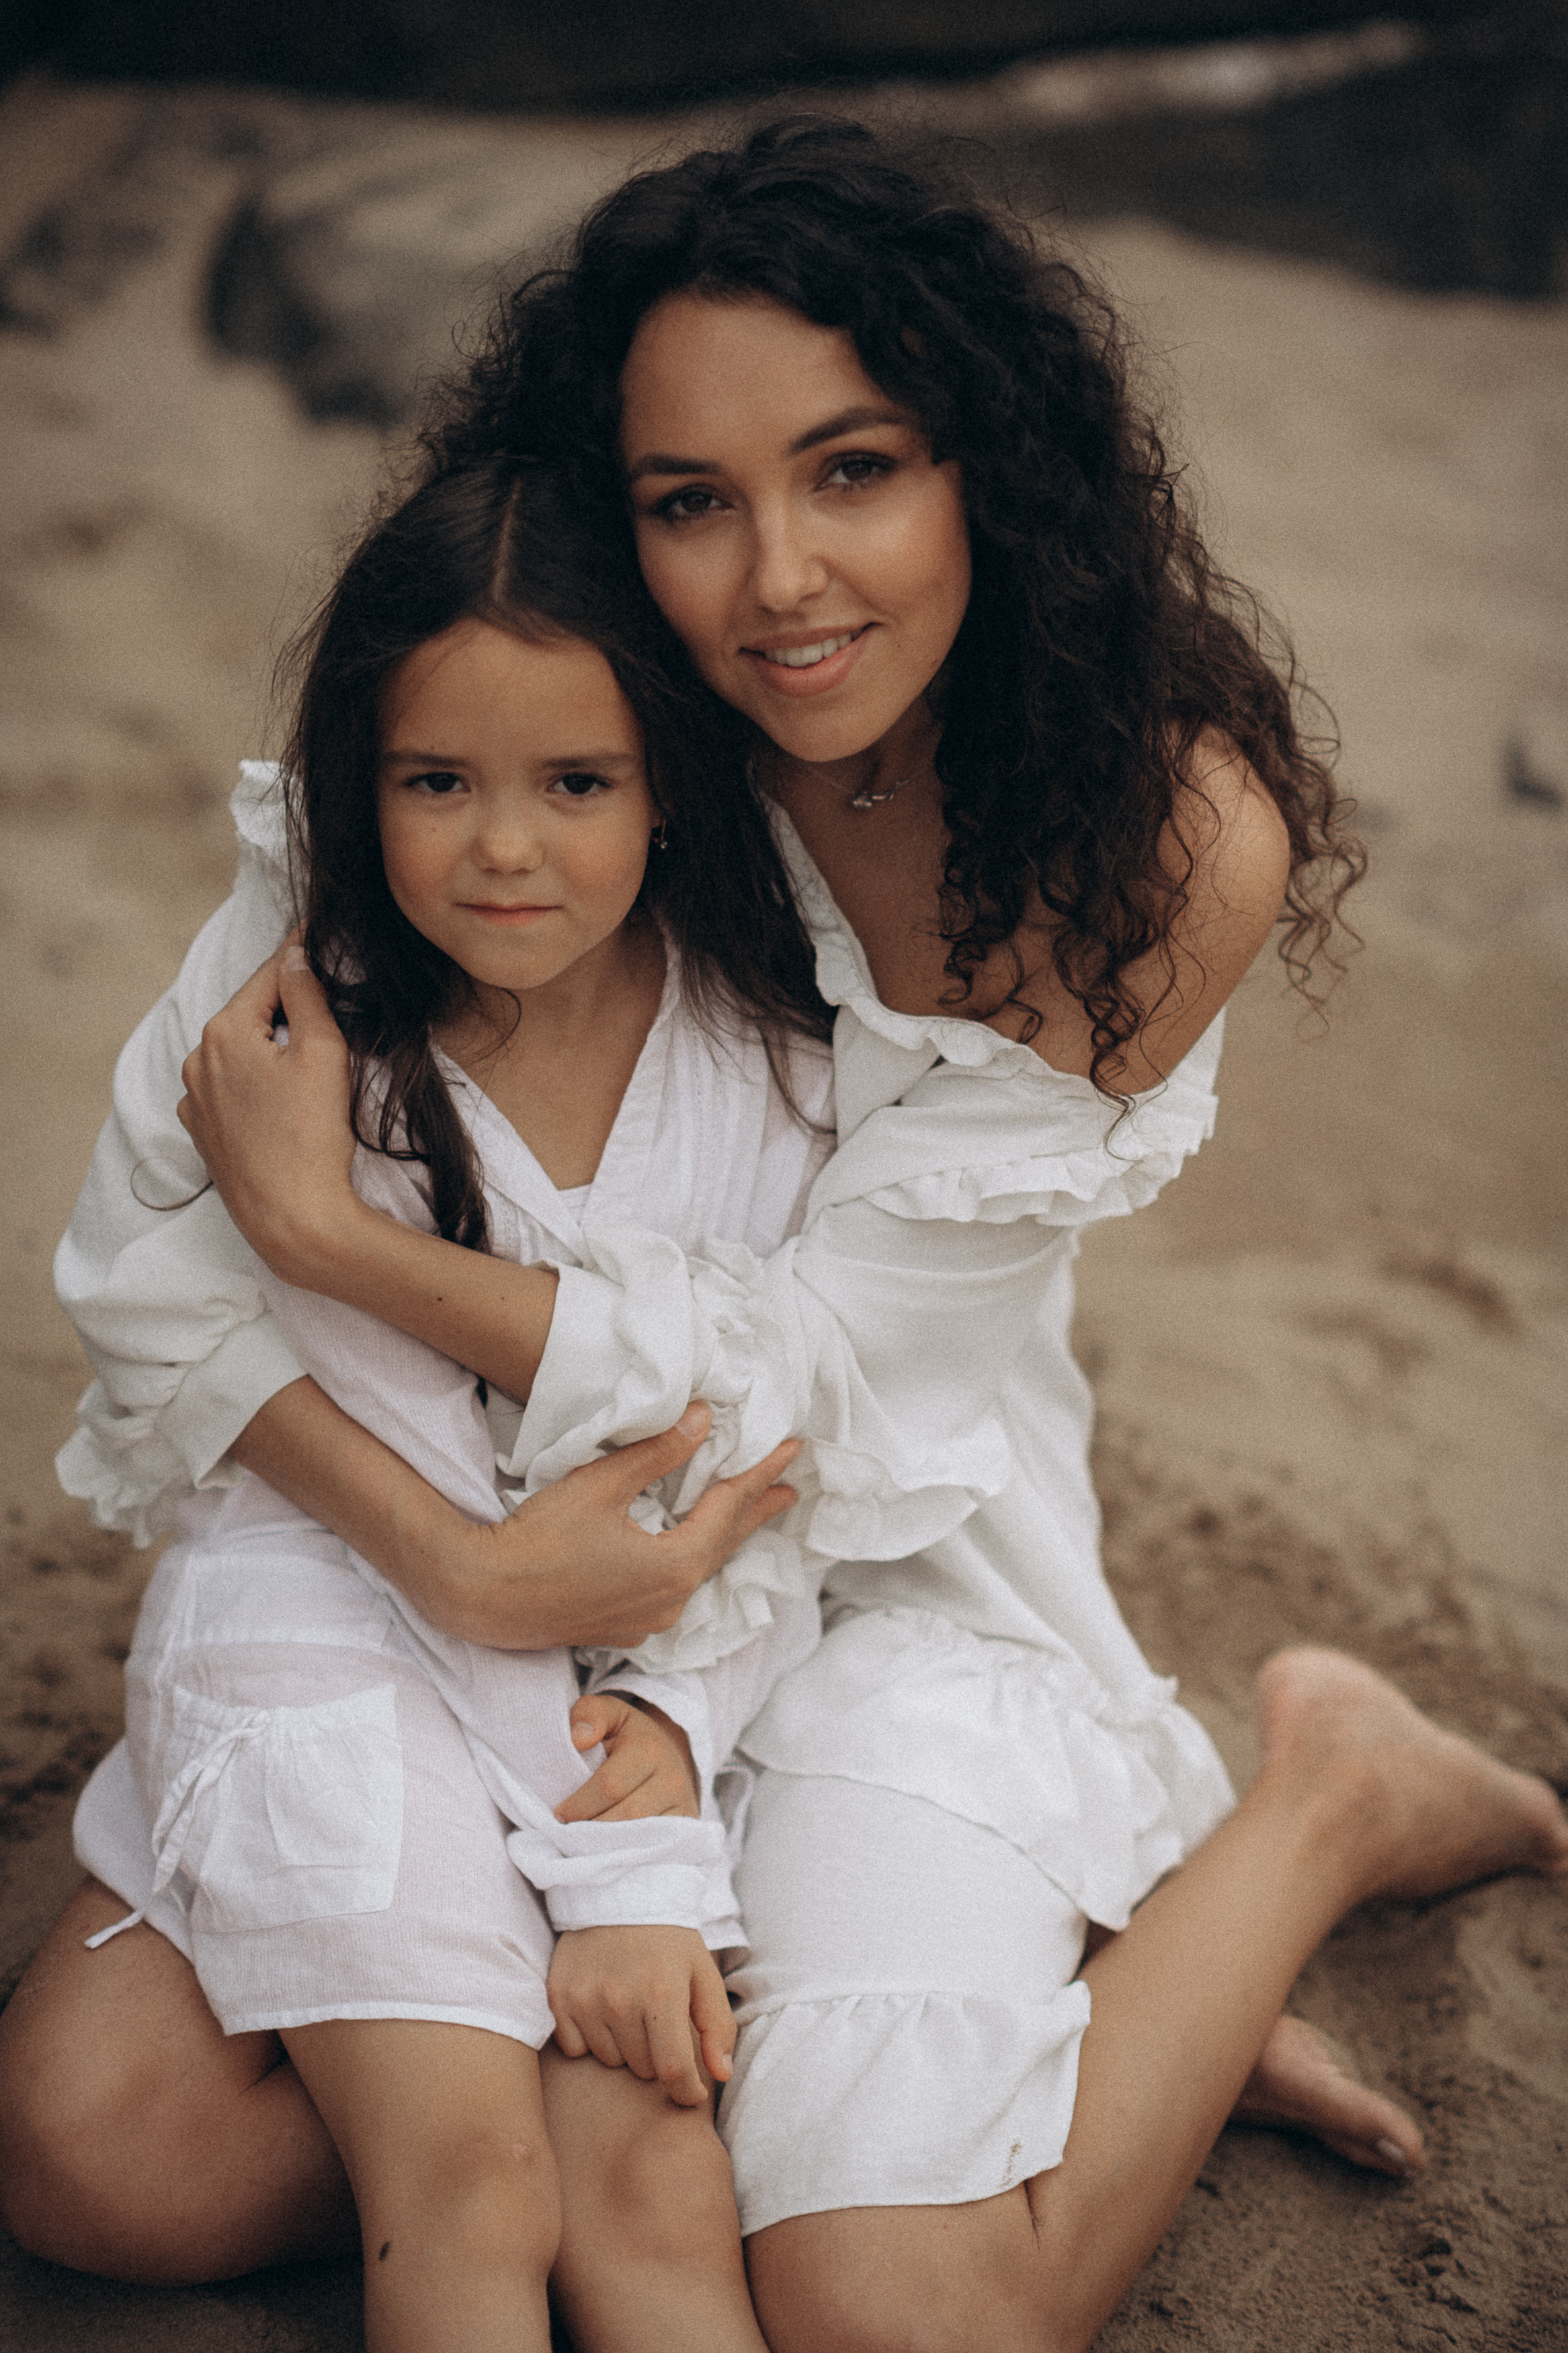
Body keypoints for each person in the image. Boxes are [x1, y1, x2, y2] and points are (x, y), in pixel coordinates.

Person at [3, 118, 1563, 2353]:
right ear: (600, 509)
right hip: (461, 1522)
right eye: (688, 502)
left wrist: (342, 1247)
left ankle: (1320, 1798)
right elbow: (169, 1235)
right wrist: (459, 1563)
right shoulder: (540, 722)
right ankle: (1024, 2044)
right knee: (99, 2146)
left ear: (989, 470)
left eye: (855, 470)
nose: (777, 583)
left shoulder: (1145, 823)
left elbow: (812, 1376)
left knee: (893, 2309)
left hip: (866, 1538)